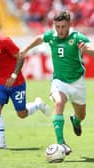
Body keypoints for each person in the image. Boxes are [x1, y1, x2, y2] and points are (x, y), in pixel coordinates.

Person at [21, 10, 94, 155]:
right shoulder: (51, 36)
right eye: (58, 26)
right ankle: (61, 143)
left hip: (77, 83)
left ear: (69, 25)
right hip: (59, 81)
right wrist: (26, 49)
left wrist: (87, 50)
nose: (60, 30)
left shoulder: (77, 37)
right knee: (59, 102)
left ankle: (76, 120)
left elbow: (92, 49)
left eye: (63, 26)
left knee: (82, 115)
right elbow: (39, 38)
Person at [0, 18, 50, 149]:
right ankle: (1, 143)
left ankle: (37, 104)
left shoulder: (4, 41)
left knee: (22, 114)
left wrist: (13, 75)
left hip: (16, 83)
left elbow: (21, 57)